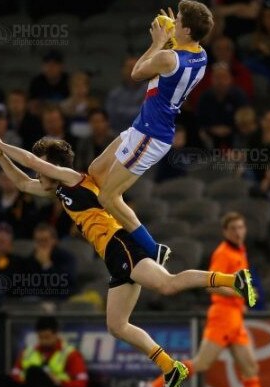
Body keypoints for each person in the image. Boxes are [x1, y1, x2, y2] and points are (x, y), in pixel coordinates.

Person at [0, 122, 256, 387]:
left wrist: (2, 143)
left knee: (167, 285)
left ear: (52, 167)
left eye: (42, 167)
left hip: (119, 244)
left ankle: (233, 279)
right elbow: (21, 182)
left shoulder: (72, 178)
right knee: (116, 325)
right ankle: (169, 366)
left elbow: (29, 162)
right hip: (113, 257)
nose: (36, 173)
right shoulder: (57, 192)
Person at [88, 1, 214, 264]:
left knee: (108, 196)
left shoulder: (168, 57)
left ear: (188, 30)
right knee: (96, 171)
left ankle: (153, 248)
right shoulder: (201, 54)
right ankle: (111, 225)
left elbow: (135, 73)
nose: (174, 21)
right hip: (144, 127)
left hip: (151, 135)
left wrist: (158, 41)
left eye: (179, 20)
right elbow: (176, 58)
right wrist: (172, 39)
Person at [138, 212, 263, 387]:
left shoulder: (240, 250)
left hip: (235, 317)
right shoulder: (223, 253)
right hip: (222, 316)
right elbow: (211, 285)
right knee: (202, 363)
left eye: (241, 227)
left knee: (250, 368)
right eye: (233, 228)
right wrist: (242, 294)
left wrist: (241, 302)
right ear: (225, 232)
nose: (238, 232)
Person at [0, 316, 88, 387]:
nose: (44, 341)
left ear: (56, 334)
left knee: (35, 373)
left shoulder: (71, 354)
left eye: (47, 337)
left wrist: (59, 382)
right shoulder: (27, 352)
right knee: (3, 381)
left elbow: (81, 385)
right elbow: (15, 375)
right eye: (41, 337)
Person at [0, 171, 37, 239]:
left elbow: (29, 226)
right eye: (4, 178)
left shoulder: (26, 202)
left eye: (9, 178)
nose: (6, 182)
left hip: (18, 241)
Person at [24, 223, 77, 298]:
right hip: (36, 300)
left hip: (61, 299)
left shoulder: (66, 258)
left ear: (54, 241)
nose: (41, 244)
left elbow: (65, 283)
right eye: (38, 241)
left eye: (45, 240)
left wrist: (46, 264)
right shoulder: (31, 258)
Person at [105, 56, 147, 133]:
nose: (132, 71)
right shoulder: (114, 94)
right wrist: (138, 111)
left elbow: (148, 115)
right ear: (123, 70)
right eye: (129, 68)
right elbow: (111, 119)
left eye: (135, 67)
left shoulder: (149, 90)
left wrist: (121, 112)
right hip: (119, 134)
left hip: (144, 134)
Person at [28, 50, 69, 115]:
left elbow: (73, 106)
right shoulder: (36, 82)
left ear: (62, 66)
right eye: (47, 63)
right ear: (42, 66)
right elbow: (32, 107)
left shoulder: (68, 81)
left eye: (55, 64)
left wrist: (44, 105)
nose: (51, 67)